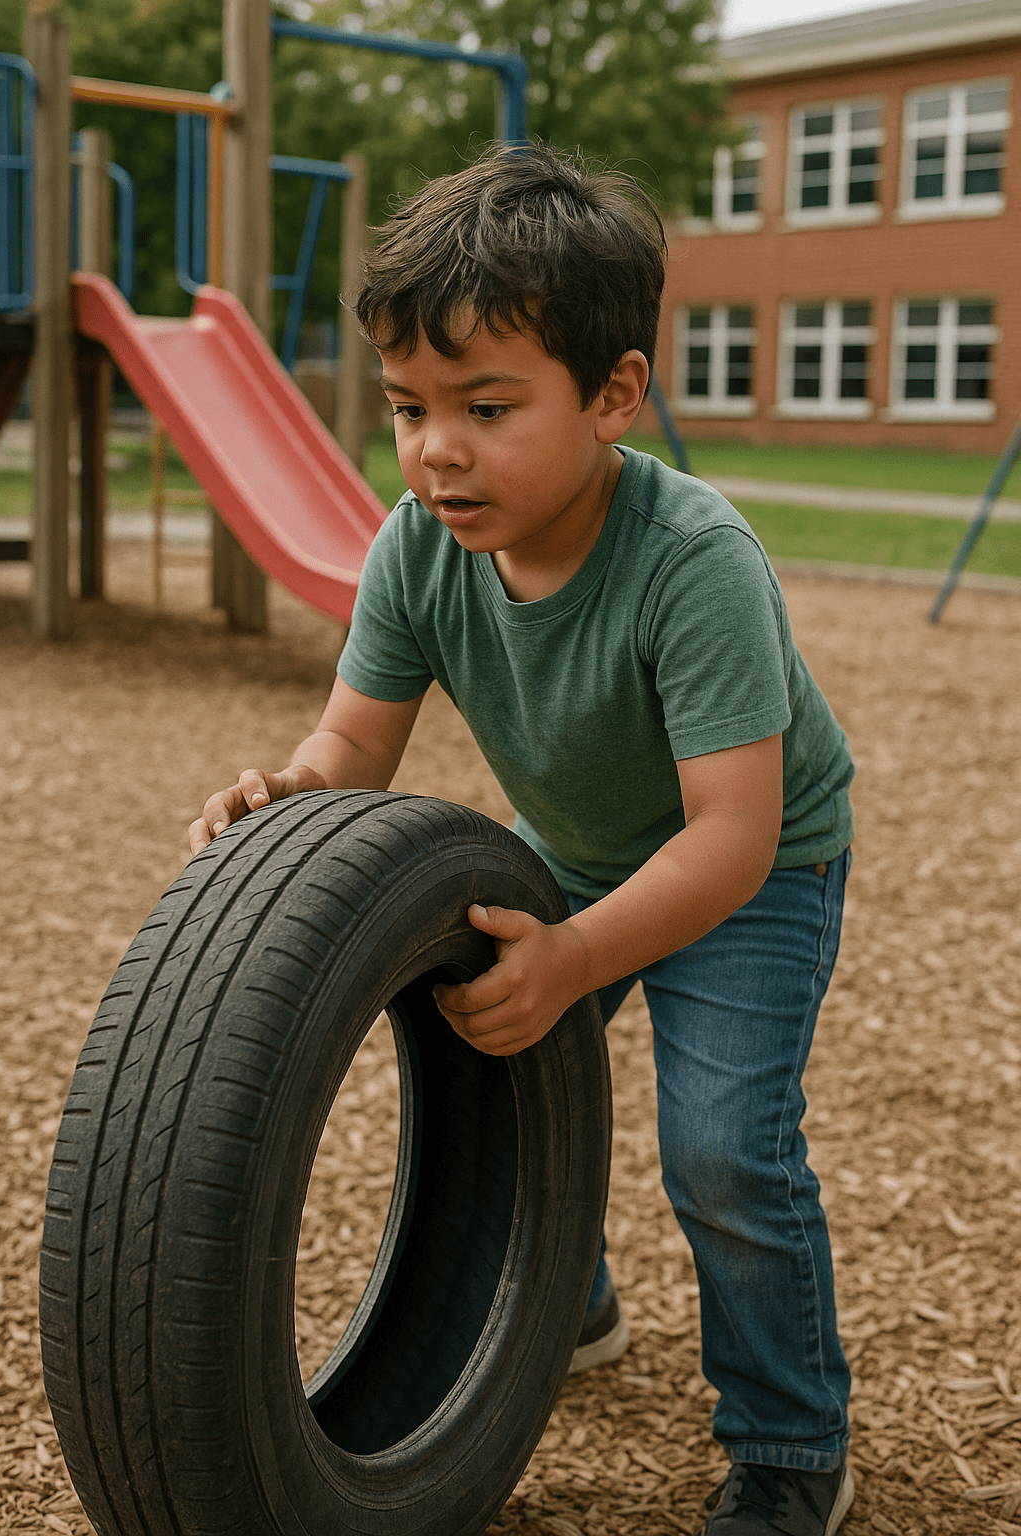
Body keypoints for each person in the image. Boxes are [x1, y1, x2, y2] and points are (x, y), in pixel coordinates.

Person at [189, 145, 855, 1536]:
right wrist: (281, 798)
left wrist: (578, 953)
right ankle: (574, 1302)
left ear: (614, 395)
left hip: (754, 865)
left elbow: (728, 841)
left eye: (487, 407)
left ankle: (792, 1445)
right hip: (576, 843)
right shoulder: (418, 547)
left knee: (726, 1150)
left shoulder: (694, 559)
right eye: (408, 407)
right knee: (494, 1044)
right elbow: (352, 752)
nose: (436, 447)